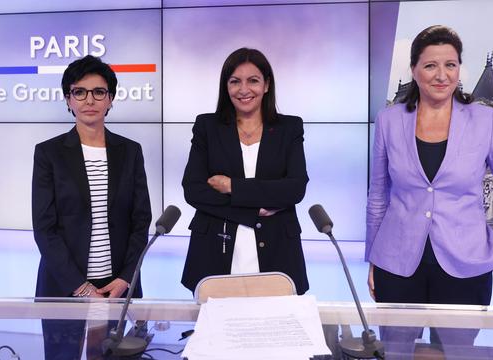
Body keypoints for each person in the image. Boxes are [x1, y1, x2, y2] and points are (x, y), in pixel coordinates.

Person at [366, 25, 493, 354]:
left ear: (459, 69)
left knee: (456, 355)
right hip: (396, 266)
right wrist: (373, 258)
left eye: (450, 65)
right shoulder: (389, 120)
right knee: (396, 354)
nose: (442, 75)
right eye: (430, 66)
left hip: (466, 267)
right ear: (414, 70)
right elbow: (378, 197)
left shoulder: (487, 120)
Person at [32, 55, 151, 358]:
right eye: (79, 92)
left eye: (99, 92)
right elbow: (45, 229)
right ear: (68, 99)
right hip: (65, 283)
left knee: (108, 355)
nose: (89, 100)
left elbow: (141, 221)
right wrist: (81, 287)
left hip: (116, 285)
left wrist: (125, 277)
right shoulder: (49, 153)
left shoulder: (131, 151)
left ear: (110, 99)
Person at [181, 47, 310, 294]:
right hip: (214, 251)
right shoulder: (207, 126)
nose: (243, 90)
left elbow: (295, 188)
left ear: (267, 85)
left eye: (253, 81)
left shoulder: (289, 127)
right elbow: (193, 189)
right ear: (225, 86)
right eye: (235, 81)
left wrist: (233, 187)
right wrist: (254, 209)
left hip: (277, 252)